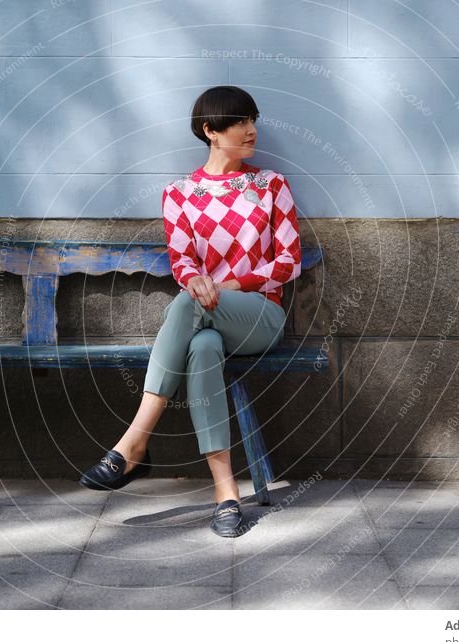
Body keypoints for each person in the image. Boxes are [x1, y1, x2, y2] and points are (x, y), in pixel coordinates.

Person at [79, 85, 302, 537]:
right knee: (202, 347)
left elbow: (289, 262)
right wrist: (195, 280)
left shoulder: (270, 185)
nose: (251, 129)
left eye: (252, 119)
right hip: (206, 318)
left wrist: (226, 283)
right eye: (239, 121)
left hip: (260, 316)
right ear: (210, 130)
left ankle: (135, 442)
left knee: (187, 305)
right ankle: (226, 496)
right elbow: (183, 262)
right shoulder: (179, 194)